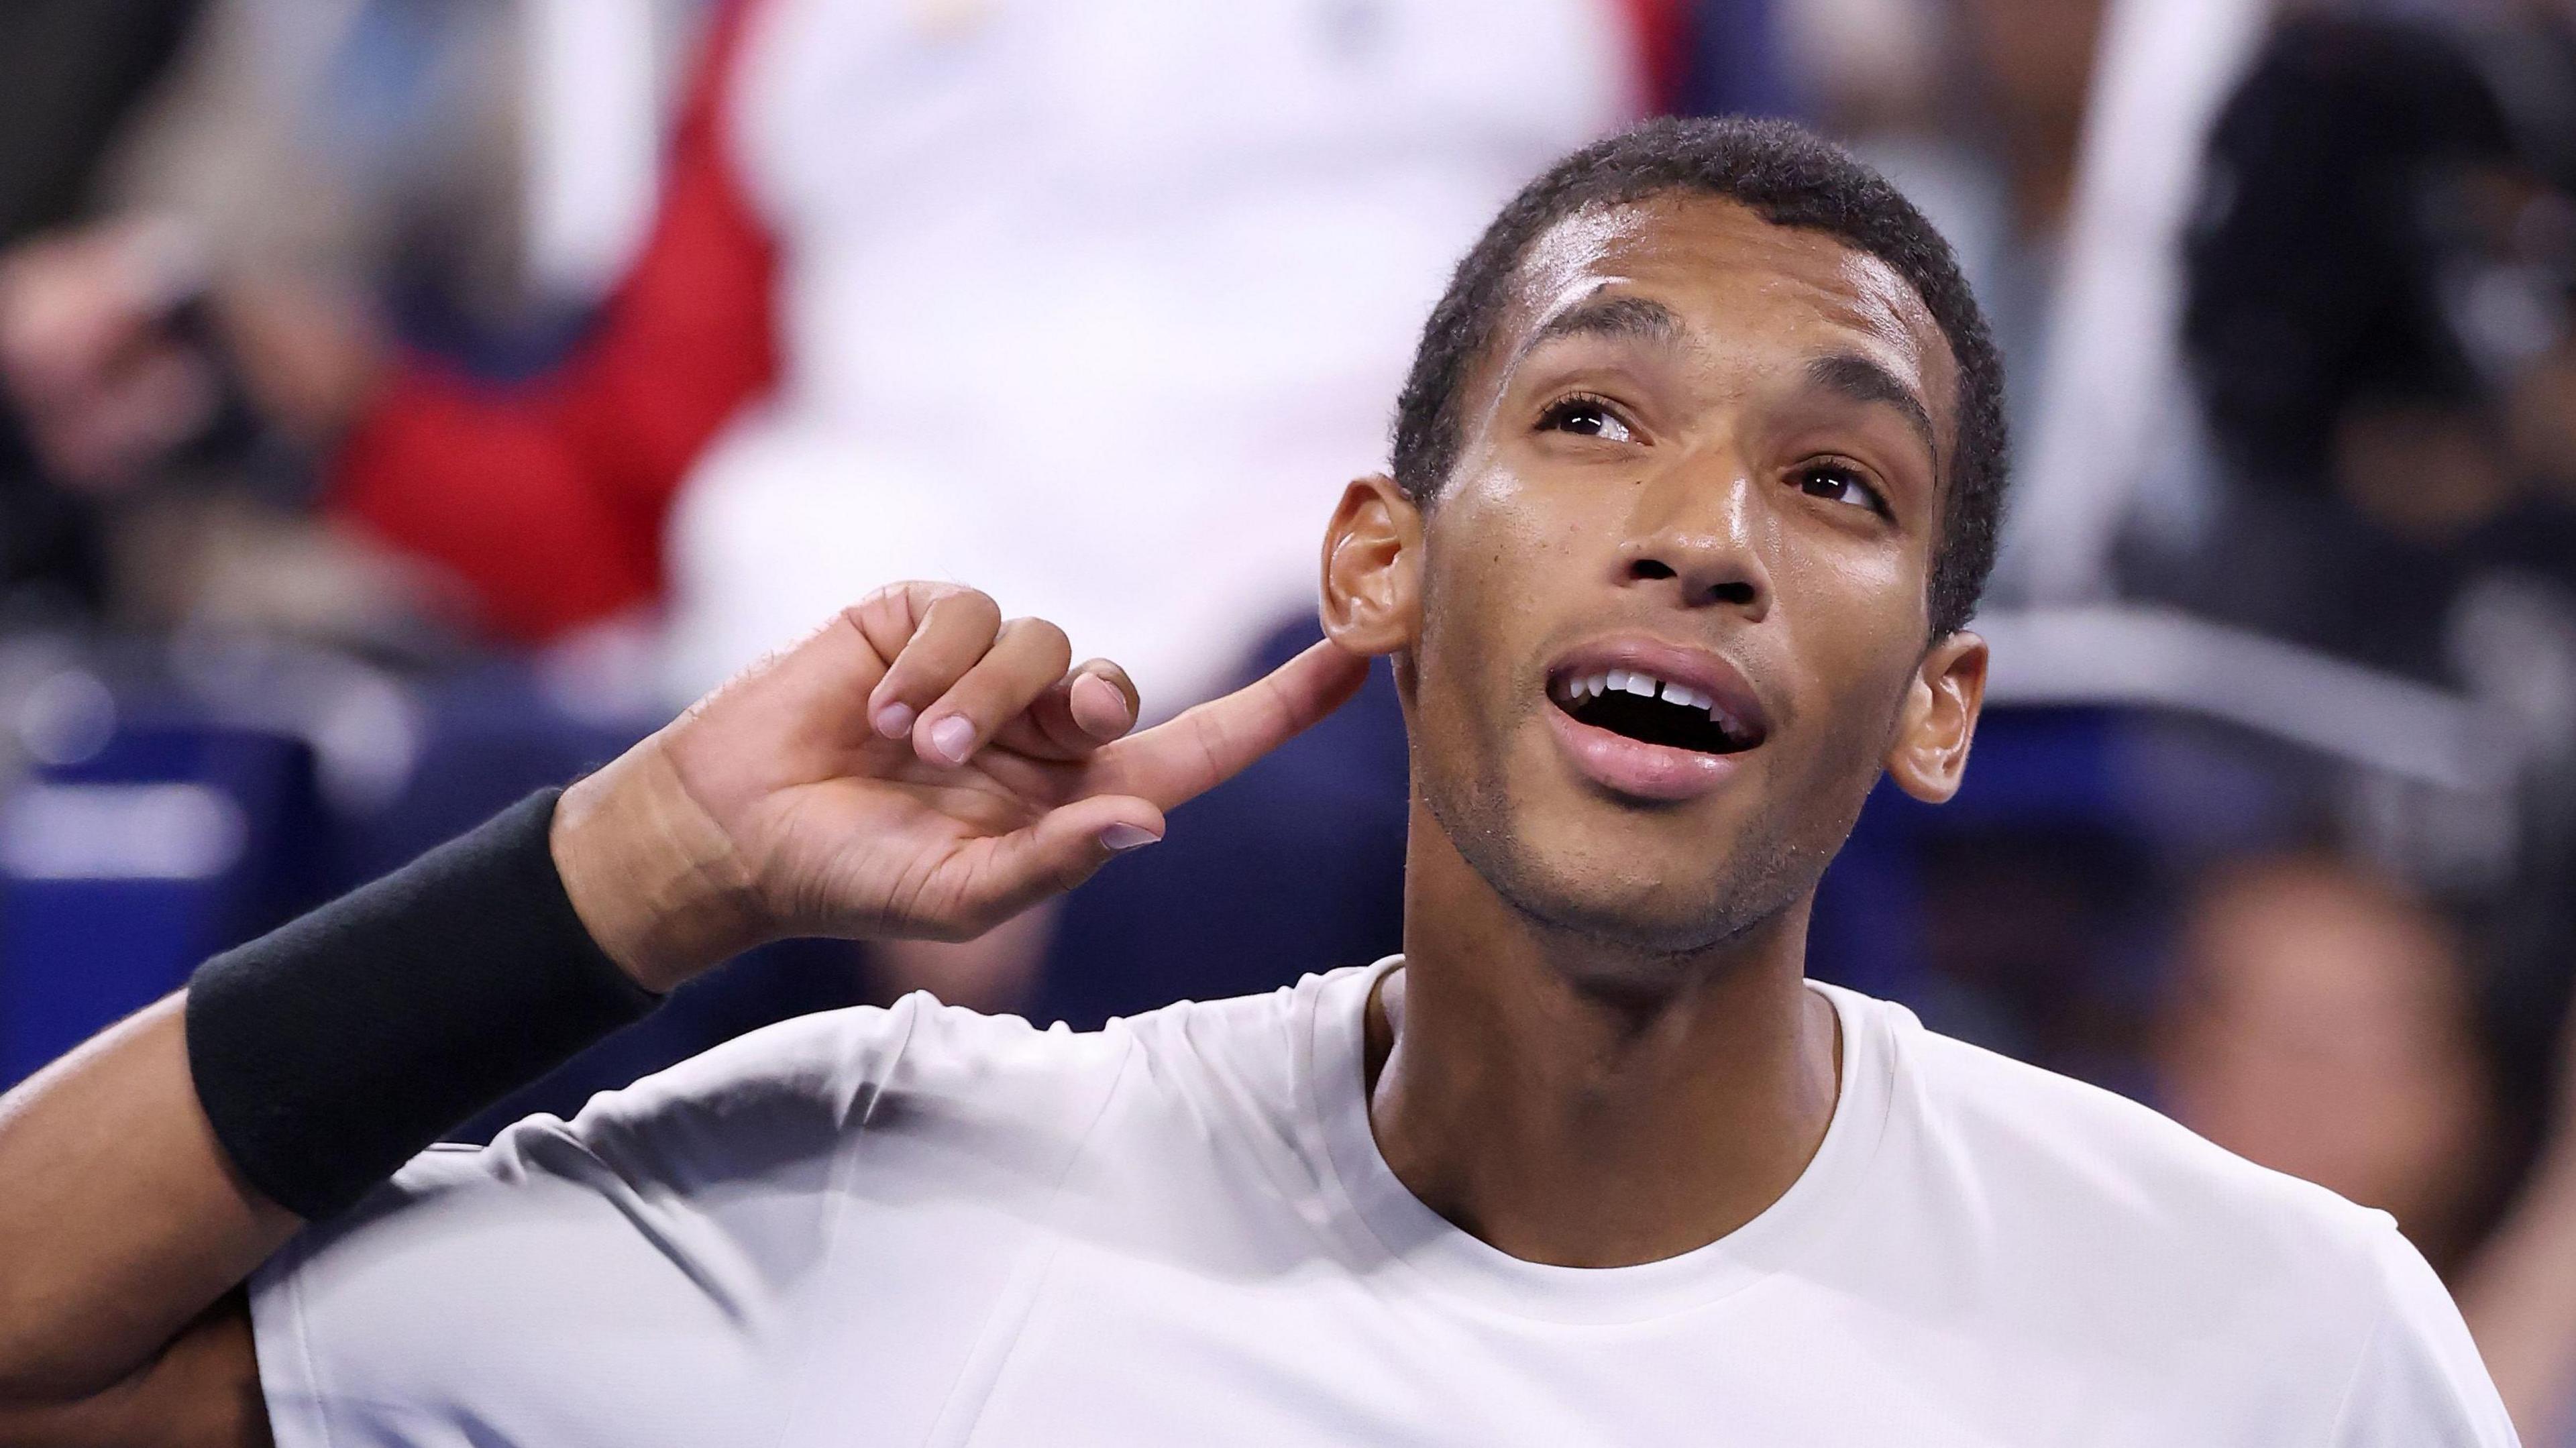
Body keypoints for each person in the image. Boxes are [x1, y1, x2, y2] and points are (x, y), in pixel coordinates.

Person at [0, 118, 2514, 1444]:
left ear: (1940, 701)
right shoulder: (890, 1208)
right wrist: (641, 864)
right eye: (1594, 416)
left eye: (1836, 481)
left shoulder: (2278, 1346)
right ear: (1380, 566)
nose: (1706, 534)